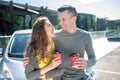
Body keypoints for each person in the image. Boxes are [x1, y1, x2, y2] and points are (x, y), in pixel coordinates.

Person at [23, 5, 96, 80]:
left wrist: (87, 63)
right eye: (60, 19)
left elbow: (93, 58)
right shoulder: (54, 36)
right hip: (60, 77)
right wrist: (28, 62)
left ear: (73, 19)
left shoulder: (85, 36)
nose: (60, 23)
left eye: (63, 19)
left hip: (80, 77)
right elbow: (39, 44)